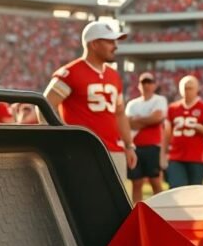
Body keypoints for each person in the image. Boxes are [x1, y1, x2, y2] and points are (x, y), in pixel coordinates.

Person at [44, 22, 136, 180]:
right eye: (110, 41)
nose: (115, 46)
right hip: (82, 150)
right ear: (94, 43)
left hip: (113, 150)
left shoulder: (114, 75)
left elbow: (120, 114)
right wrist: (59, 139)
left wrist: (129, 145)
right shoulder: (70, 73)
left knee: (117, 203)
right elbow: (45, 105)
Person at [165, 75, 203, 188]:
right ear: (180, 89)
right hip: (176, 156)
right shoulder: (172, 108)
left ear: (197, 89)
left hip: (197, 157)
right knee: (176, 189)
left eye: (190, 88)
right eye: (185, 88)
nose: (187, 91)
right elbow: (166, 134)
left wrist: (200, 128)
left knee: (194, 193)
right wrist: (163, 154)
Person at [125, 72, 168, 203]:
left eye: (149, 82)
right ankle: (137, 211)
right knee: (136, 182)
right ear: (139, 85)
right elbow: (128, 123)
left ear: (154, 85)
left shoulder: (159, 100)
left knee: (155, 180)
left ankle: (159, 211)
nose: (147, 85)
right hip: (135, 146)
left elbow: (157, 117)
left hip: (152, 146)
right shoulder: (132, 103)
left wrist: (137, 120)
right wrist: (148, 119)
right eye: (144, 82)